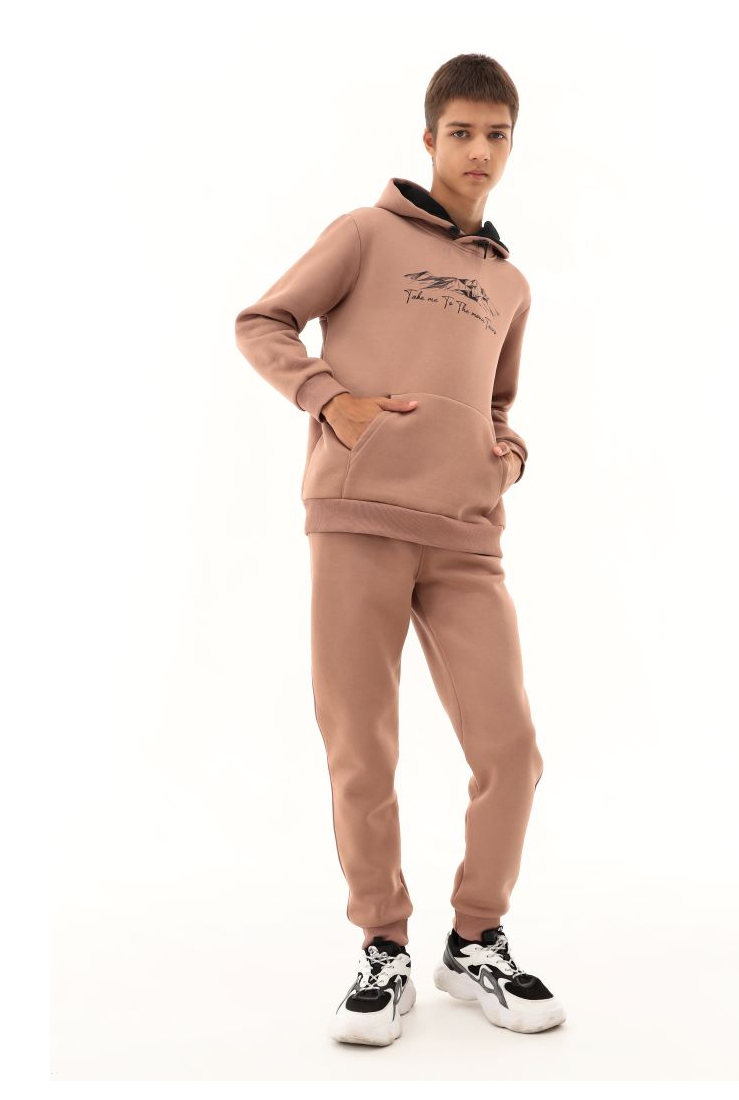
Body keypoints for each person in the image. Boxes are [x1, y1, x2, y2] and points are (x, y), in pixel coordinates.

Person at [235, 53, 566, 1045]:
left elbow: (498, 403)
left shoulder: (511, 283)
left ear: (512, 146)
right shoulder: (364, 233)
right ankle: (382, 945)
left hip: (466, 538)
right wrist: (331, 400)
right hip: (358, 518)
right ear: (429, 139)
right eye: (461, 131)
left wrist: (508, 454)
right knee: (362, 745)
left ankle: (475, 939)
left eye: (496, 134)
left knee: (511, 749)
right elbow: (263, 321)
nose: (479, 150)